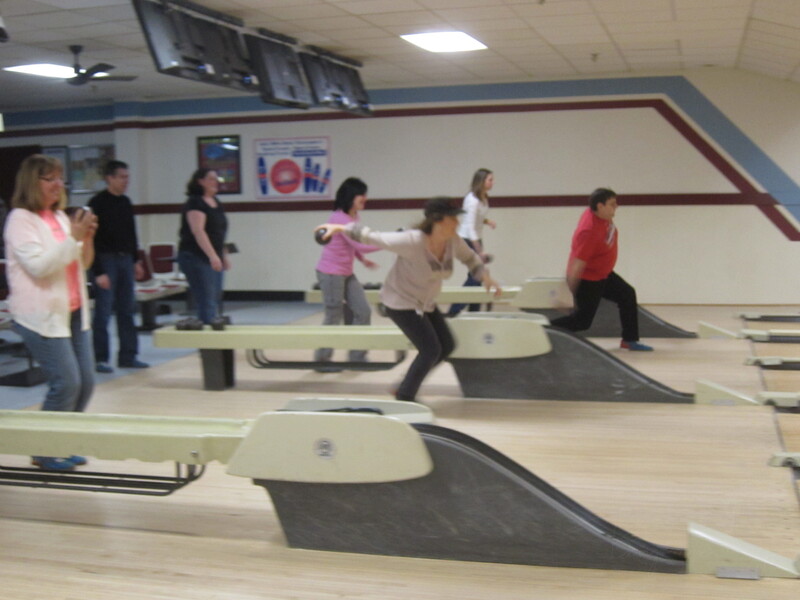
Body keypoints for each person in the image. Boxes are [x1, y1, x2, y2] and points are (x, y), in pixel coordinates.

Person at [315, 197, 502, 402]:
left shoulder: (453, 241)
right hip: (400, 302)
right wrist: (339, 228)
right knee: (430, 349)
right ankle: (405, 396)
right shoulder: (412, 241)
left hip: (425, 302)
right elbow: (374, 237)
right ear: (438, 220)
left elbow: (470, 258)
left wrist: (485, 277)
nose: (457, 223)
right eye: (452, 219)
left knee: (447, 345)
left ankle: (405, 386)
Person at [3, 154, 98, 471]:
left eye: (60, 178)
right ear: (32, 182)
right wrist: (74, 238)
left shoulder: (58, 216)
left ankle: (62, 443)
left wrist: (86, 239)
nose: (58, 184)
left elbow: (82, 263)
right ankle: (43, 450)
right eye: (50, 179)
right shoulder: (20, 220)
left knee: (86, 383)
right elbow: (40, 267)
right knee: (66, 383)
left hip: (73, 311)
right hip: (40, 315)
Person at [550, 188, 653, 351]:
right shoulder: (589, 231)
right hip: (588, 280)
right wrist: (564, 293)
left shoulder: (600, 215)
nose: (616, 207)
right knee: (582, 322)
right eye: (612, 204)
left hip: (603, 274)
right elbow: (577, 263)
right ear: (600, 206)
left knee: (627, 294)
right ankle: (542, 330)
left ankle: (629, 340)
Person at [88, 160, 149, 373]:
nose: (126, 181)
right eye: (122, 177)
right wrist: (98, 272)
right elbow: (91, 240)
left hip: (125, 259)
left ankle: (128, 356)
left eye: (127, 177)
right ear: (110, 178)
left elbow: (131, 234)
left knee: (127, 310)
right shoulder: (97, 203)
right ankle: (100, 358)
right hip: (105, 260)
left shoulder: (125, 202)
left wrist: (136, 260)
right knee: (103, 312)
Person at [314, 177, 380, 367]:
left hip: (346, 272)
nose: (365, 198)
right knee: (333, 316)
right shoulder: (339, 219)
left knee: (363, 311)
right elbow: (361, 244)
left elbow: (353, 245)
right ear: (351, 196)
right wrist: (387, 243)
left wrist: (362, 259)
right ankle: (322, 359)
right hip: (330, 273)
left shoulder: (354, 217)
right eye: (361, 195)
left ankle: (357, 357)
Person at [177, 168, 229, 324]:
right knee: (206, 300)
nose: (215, 182)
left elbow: (218, 233)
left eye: (216, 179)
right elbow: (198, 231)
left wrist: (223, 255)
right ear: (200, 181)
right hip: (196, 256)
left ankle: (212, 330)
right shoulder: (195, 202)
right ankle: (207, 333)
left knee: (214, 298)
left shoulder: (216, 202)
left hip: (213, 256)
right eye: (211, 179)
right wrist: (212, 256)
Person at [448, 168, 497, 316]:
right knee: (477, 277)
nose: (492, 182)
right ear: (481, 181)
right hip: (468, 239)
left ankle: (473, 311)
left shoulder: (483, 197)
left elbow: (477, 218)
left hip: (476, 238)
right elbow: (470, 226)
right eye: (490, 180)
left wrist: (487, 221)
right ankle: (454, 310)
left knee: (476, 277)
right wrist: (479, 250)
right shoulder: (472, 200)